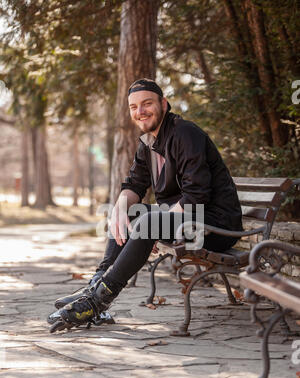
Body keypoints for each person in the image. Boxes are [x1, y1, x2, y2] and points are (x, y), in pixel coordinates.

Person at [48, 78, 243, 333]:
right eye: (133, 107)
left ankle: (97, 301)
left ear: (163, 104)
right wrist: (119, 208)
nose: (140, 111)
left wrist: (157, 227)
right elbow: (134, 185)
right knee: (129, 212)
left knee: (148, 221)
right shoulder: (148, 143)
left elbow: (196, 198)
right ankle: (97, 283)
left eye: (147, 104)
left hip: (214, 225)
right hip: (185, 220)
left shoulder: (185, 134)